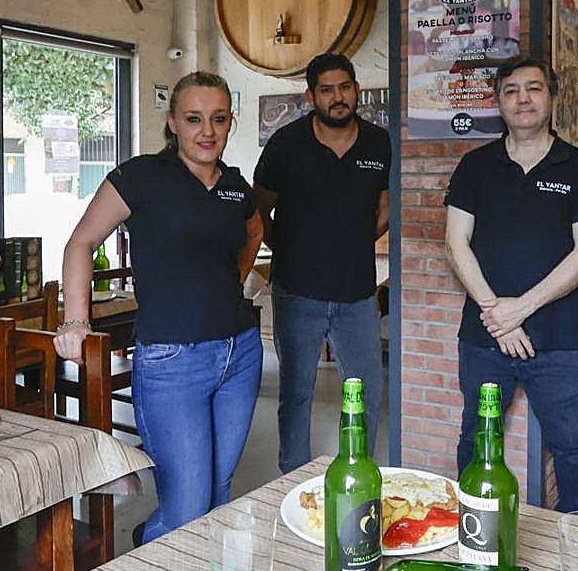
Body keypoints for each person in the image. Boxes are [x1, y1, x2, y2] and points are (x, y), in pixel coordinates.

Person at [54, 71, 264, 544]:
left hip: (240, 353)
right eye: (193, 119)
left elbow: (253, 232)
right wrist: (75, 320)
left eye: (218, 119)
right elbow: (81, 242)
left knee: (217, 492)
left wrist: (232, 279)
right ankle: (150, 563)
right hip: (173, 362)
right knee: (188, 508)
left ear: (231, 122)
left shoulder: (234, 185)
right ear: (172, 122)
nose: (206, 131)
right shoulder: (143, 176)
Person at [445, 56, 578, 512]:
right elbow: (455, 244)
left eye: (534, 88)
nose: (523, 99)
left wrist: (521, 309)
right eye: (511, 90)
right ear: (498, 102)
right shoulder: (476, 167)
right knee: (476, 440)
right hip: (483, 338)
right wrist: (499, 315)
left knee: (570, 447)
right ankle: (473, 531)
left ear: (552, 98)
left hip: (556, 341)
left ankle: (577, 544)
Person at [253, 53, 390, 473]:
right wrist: (288, 247)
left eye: (344, 88)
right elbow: (259, 213)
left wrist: (350, 242)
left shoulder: (378, 142)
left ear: (357, 90)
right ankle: (292, 474)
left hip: (357, 294)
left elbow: (384, 209)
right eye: (326, 91)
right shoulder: (286, 144)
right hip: (297, 292)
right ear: (311, 95)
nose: (337, 98)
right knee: (297, 391)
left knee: (368, 392)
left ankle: (357, 468)